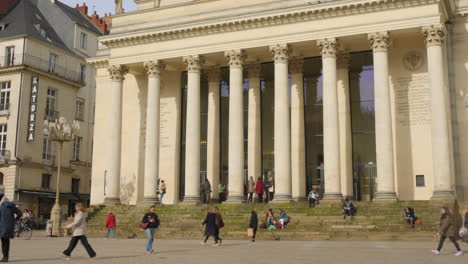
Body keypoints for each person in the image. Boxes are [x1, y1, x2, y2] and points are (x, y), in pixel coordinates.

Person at [0, 197, 22, 262]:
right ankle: (6, 257)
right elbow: (20, 213)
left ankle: (4, 257)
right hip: (10, 226)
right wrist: (15, 219)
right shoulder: (12, 207)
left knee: (3, 242)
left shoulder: (1, 207)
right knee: (7, 241)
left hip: (2, 226)